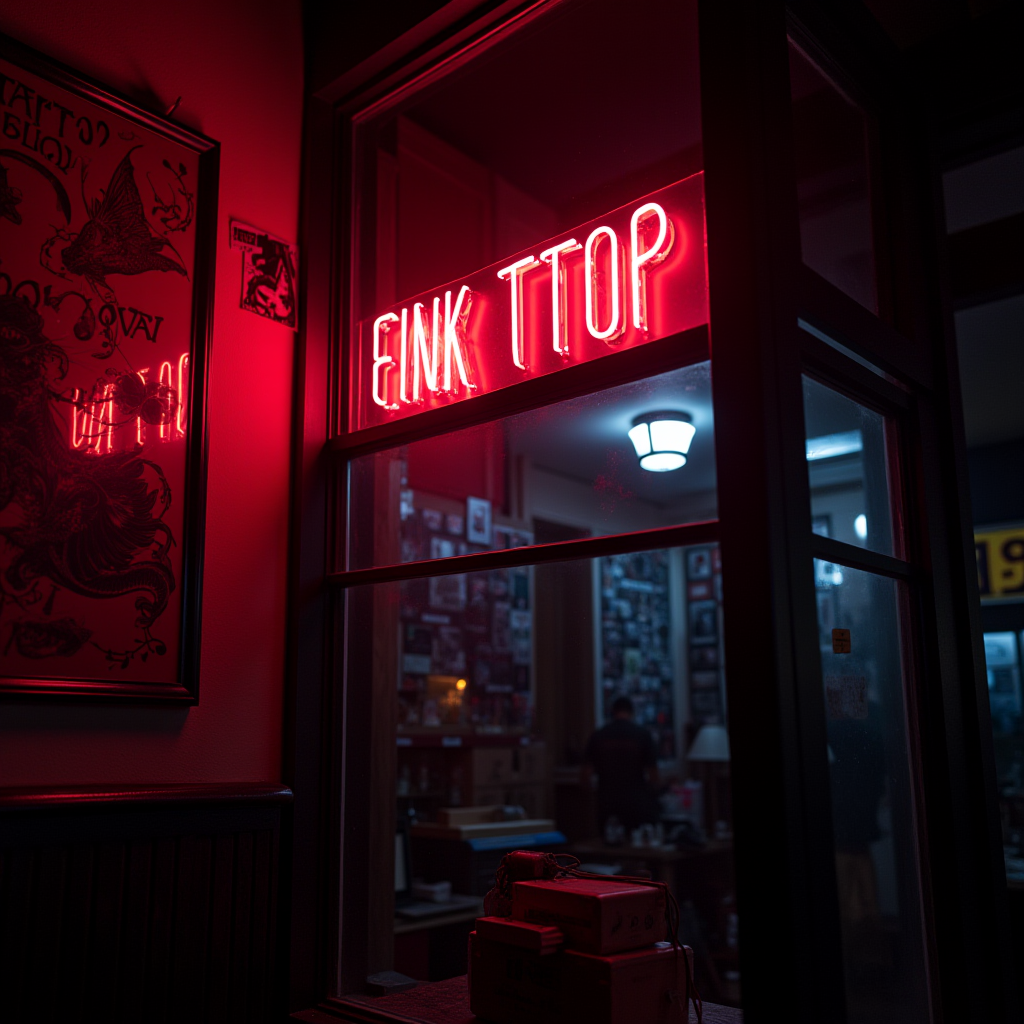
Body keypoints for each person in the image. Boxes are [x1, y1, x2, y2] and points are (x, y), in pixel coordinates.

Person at [581, 696, 661, 836]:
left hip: (606, 798)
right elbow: (653, 775)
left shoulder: (599, 736)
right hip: (635, 799)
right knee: (634, 845)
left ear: (612, 712)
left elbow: (585, 775)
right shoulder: (642, 735)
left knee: (607, 845)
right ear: (631, 712)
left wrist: (592, 794)